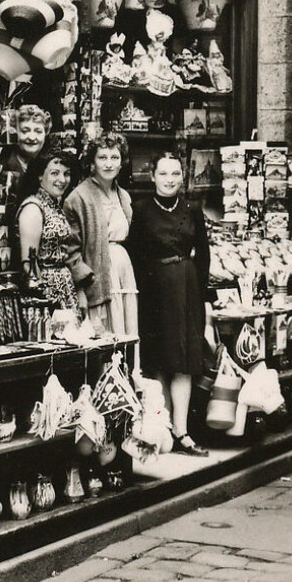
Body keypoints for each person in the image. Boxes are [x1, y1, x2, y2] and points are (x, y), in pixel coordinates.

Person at [125, 152, 209, 455]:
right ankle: (163, 429)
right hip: (154, 292)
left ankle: (182, 431)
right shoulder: (140, 210)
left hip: (186, 289)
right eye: (163, 173)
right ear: (152, 176)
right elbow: (134, 255)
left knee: (184, 361)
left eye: (175, 174)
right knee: (159, 360)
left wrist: (200, 296)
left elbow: (204, 255)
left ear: (182, 176)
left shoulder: (192, 209)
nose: (169, 180)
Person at [64, 133, 137, 338]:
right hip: (97, 273)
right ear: (92, 162)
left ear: (122, 162)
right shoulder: (78, 197)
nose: (109, 164)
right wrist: (81, 288)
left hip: (123, 270)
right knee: (105, 334)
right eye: (102, 157)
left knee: (126, 330)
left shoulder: (123, 196)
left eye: (114, 157)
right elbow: (71, 251)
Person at [15, 149, 83, 312]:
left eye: (66, 174)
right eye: (54, 173)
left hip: (64, 287)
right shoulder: (33, 208)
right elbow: (29, 264)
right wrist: (46, 300)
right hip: (47, 292)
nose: (62, 180)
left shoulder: (53, 205)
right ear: (40, 176)